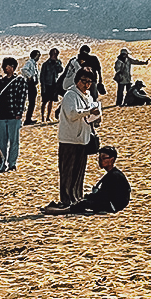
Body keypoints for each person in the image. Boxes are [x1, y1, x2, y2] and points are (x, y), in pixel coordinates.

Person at [55, 68, 102, 206]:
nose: (86, 84)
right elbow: (72, 114)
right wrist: (88, 111)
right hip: (69, 139)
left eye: (89, 82)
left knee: (79, 172)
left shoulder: (89, 96)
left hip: (83, 138)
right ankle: (67, 200)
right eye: (84, 81)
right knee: (67, 171)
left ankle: (77, 198)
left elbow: (89, 115)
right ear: (77, 80)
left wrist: (96, 118)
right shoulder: (70, 95)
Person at [42, 146, 130, 214]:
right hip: (112, 203)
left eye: (103, 158)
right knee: (85, 201)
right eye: (99, 158)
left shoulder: (114, 176)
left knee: (84, 203)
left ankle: (61, 211)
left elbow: (105, 195)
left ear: (112, 160)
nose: (100, 161)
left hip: (113, 205)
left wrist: (91, 198)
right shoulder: (112, 174)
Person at [0, 57, 28, 170]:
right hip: (2, 115)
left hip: (14, 115)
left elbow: (22, 97)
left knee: (14, 141)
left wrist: (19, 112)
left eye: (7, 66)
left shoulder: (20, 80)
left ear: (13, 67)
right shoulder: (1, 81)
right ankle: (2, 164)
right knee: (1, 142)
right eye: (4, 66)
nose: (5, 68)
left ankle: (12, 163)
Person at [39, 48, 63, 122]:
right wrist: (43, 86)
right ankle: (42, 117)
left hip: (54, 84)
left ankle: (48, 117)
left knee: (51, 101)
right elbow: (42, 76)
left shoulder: (58, 62)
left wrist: (56, 63)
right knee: (44, 101)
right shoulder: (46, 64)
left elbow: (60, 70)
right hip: (47, 84)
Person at [21, 49, 41, 124]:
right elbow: (24, 69)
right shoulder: (29, 62)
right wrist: (29, 77)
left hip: (33, 84)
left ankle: (29, 118)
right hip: (30, 84)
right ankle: (27, 119)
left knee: (32, 102)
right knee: (31, 102)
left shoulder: (34, 63)